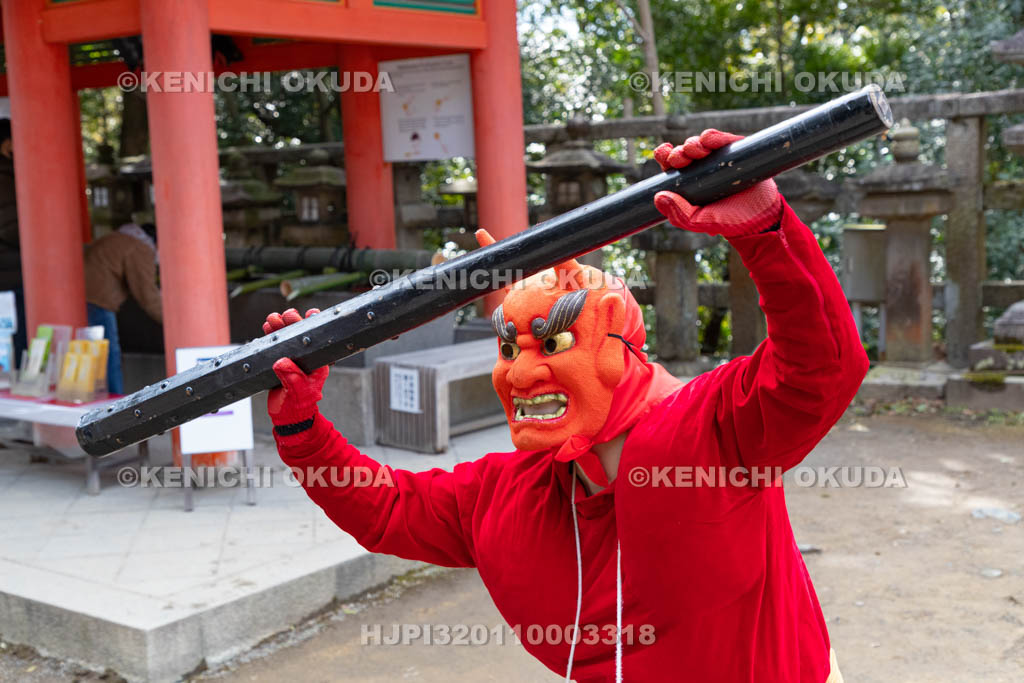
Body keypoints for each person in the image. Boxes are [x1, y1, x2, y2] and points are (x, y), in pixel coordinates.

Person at [263, 131, 864, 682]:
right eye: (509, 348)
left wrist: (765, 231)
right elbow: (388, 509)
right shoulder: (506, 494)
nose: (521, 373)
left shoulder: (712, 434)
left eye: (552, 344)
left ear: (619, 346)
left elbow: (820, 367)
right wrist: (301, 428)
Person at [84, 222, 162, 394]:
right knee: (109, 356)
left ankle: (98, 398)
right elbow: (148, 296)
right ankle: (115, 401)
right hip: (98, 302)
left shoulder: (117, 238)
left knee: (91, 355)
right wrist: (172, 322)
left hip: (82, 297)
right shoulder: (140, 248)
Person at [0, 118, 27, 366]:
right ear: (7, 144)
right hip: (12, 272)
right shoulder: (5, 177)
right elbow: (10, 228)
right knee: (20, 340)